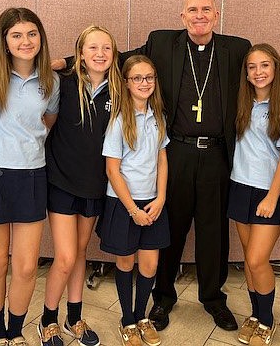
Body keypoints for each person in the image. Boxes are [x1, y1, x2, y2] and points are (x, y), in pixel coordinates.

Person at [120, 0, 251, 332]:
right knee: (170, 227)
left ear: (216, 14)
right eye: (192, 10)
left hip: (217, 155)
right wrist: (61, 62)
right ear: (182, 16)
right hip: (175, 151)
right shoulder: (161, 42)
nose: (199, 15)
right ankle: (162, 298)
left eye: (206, 9)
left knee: (213, 231)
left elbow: (270, 74)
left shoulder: (237, 48)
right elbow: (113, 59)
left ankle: (213, 298)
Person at [0, 7, 60, 346]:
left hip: (32, 176)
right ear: (3, 41)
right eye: (16, 35)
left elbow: (46, 124)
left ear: (41, 38)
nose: (25, 41)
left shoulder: (51, 83)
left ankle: (16, 330)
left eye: (32, 34)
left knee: (24, 267)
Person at [37, 25, 122, 346]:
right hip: (60, 181)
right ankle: (47, 320)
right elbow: (47, 125)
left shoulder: (119, 90)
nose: (100, 54)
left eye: (106, 49)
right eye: (92, 49)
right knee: (66, 256)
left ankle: (74, 317)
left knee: (81, 253)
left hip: (95, 185)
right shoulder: (64, 83)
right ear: (80, 55)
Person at [98, 55, 169, 346]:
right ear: (126, 83)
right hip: (124, 204)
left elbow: (162, 160)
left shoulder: (158, 115)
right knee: (126, 262)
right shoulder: (118, 119)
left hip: (153, 202)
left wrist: (162, 197)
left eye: (149, 77)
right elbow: (111, 170)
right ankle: (127, 320)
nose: (144, 83)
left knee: (149, 265)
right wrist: (133, 210)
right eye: (137, 78)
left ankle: (142, 316)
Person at [228, 44, 280, 346]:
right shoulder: (243, 103)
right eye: (252, 67)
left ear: (276, 68)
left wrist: (272, 196)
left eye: (265, 65)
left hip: (272, 191)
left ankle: (266, 321)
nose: (258, 72)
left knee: (257, 260)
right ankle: (255, 315)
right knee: (247, 257)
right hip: (241, 186)